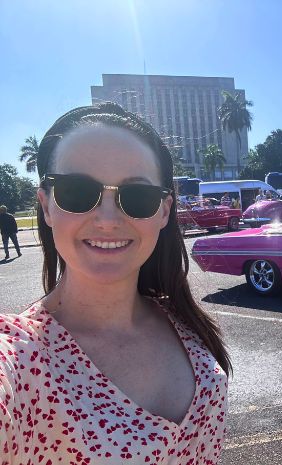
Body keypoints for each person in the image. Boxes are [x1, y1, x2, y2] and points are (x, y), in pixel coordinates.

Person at [0, 103, 230, 464]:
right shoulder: (19, 359)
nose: (108, 220)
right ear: (46, 206)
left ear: (164, 210)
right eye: (78, 191)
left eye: (137, 197)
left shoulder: (181, 320)